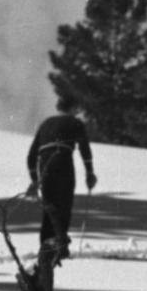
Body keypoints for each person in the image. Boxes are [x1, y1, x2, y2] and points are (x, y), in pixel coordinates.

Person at [24, 104, 97, 263]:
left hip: (45, 165)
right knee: (64, 206)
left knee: (49, 209)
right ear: (75, 109)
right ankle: (61, 247)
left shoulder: (46, 123)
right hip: (63, 161)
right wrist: (90, 172)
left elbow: (31, 156)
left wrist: (35, 180)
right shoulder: (74, 122)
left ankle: (46, 249)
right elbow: (84, 147)